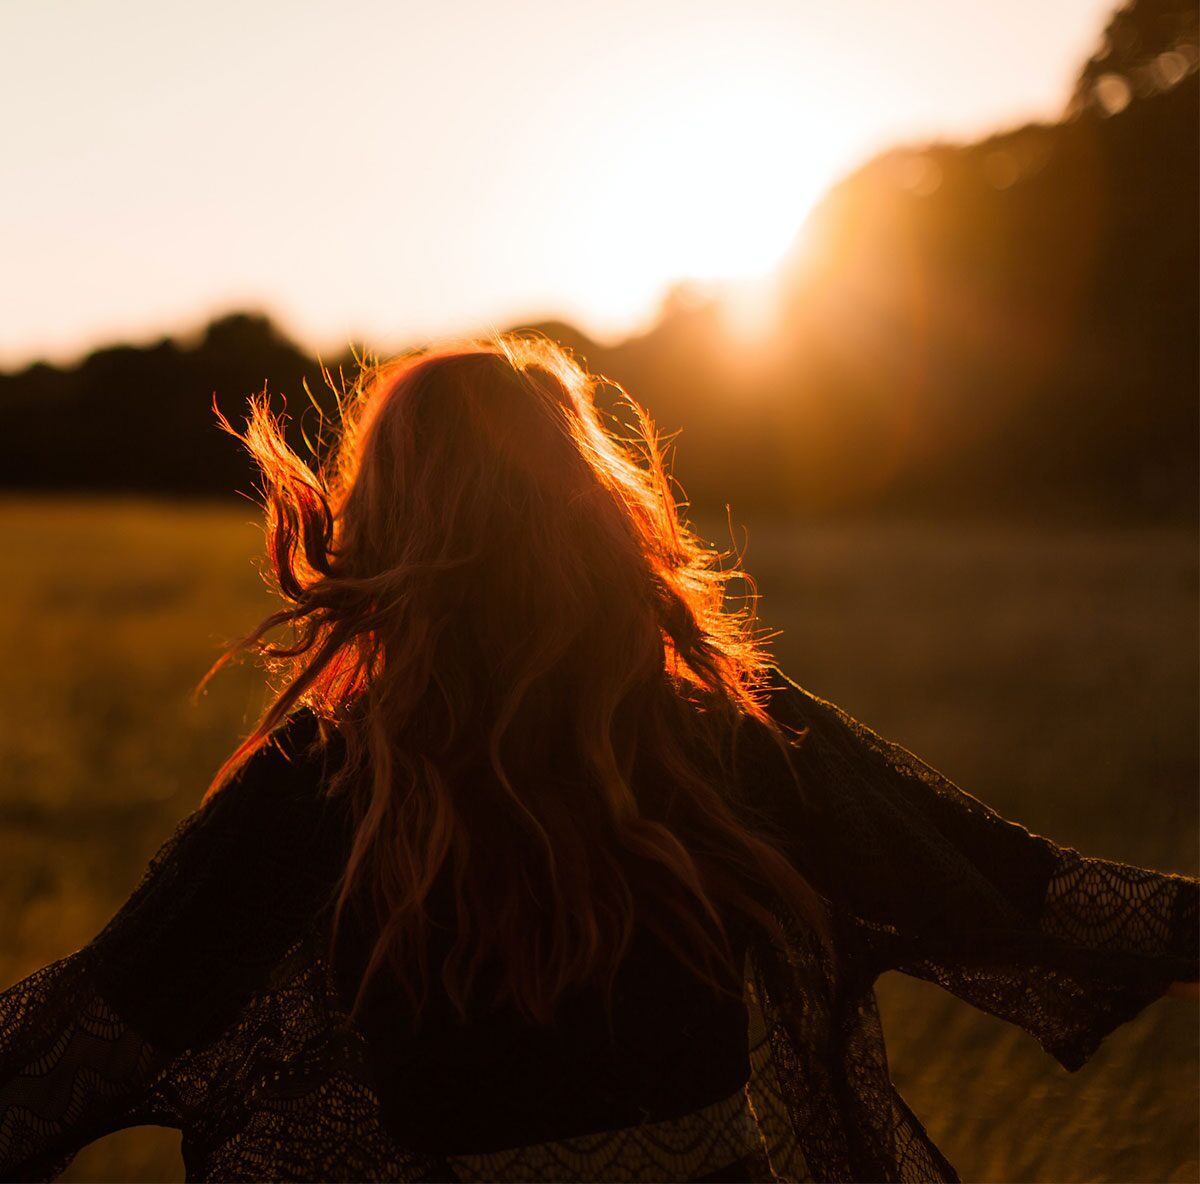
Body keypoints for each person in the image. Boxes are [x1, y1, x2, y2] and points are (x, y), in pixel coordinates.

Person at [0, 336, 1195, 1183]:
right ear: (590, 507)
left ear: (387, 526)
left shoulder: (324, 782)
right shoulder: (726, 732)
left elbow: (79, 1041)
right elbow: (1037, 895)